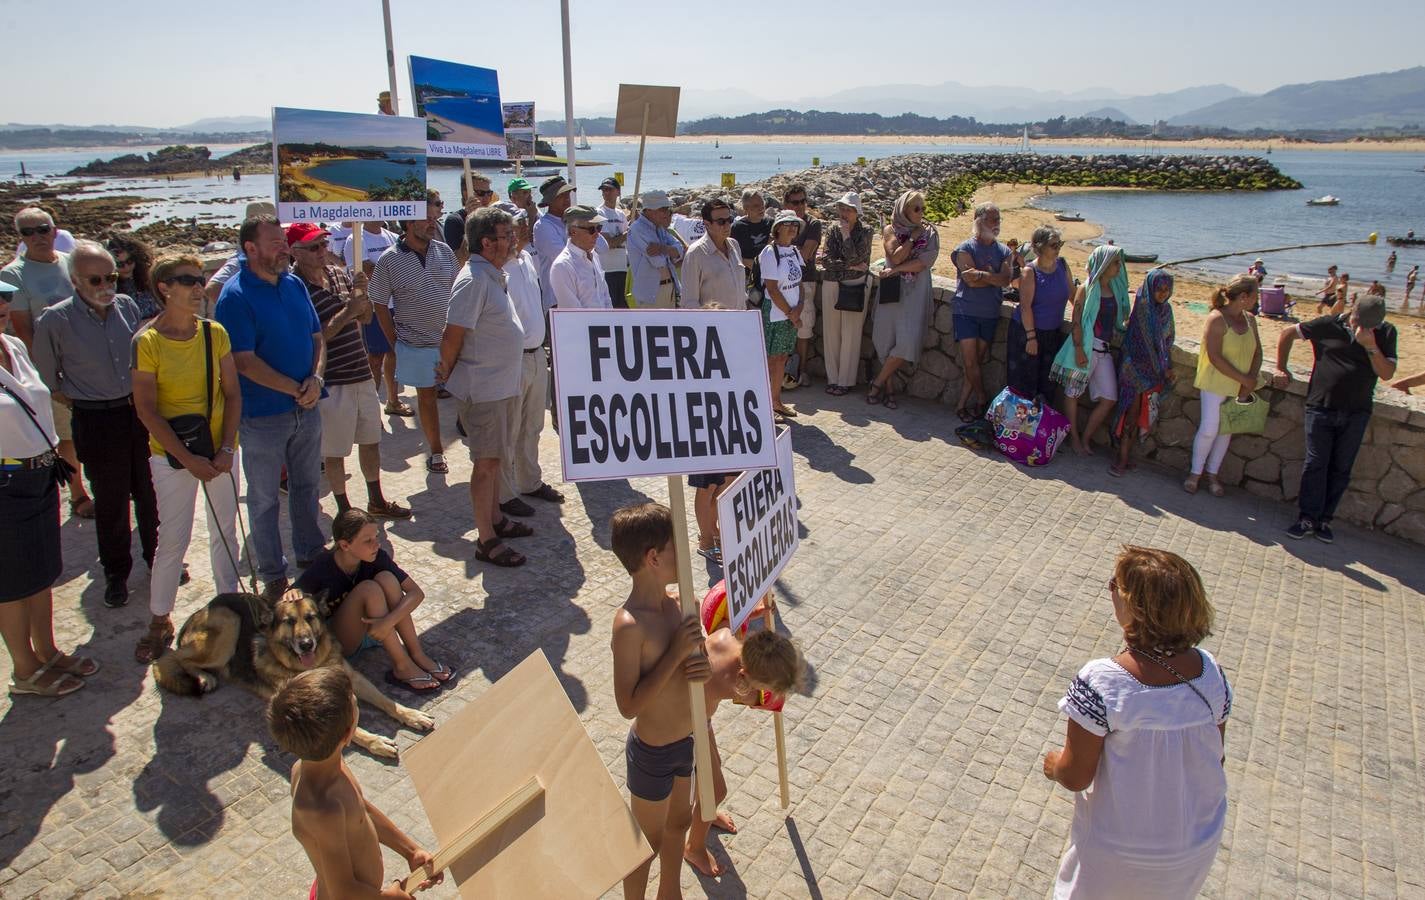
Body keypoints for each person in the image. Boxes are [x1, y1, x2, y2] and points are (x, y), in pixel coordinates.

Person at [1043, 546, 1230, 899]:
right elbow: (1215, 758)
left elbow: (1075, 775)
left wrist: (1053, 764)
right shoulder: (1212, 673)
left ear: (1136, 607)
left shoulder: (1103, 681)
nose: (1110, 591)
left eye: (1115, 586)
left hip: (1118, 852)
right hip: (1195, 843)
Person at [130, 254, 244, 664]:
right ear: (164, 288)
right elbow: (147, 410)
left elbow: (232, 393)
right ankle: (160, 620)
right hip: (172, 457)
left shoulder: (215, 334)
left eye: (200, 280)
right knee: (172, 540)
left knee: (225, 534)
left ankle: (229, 613)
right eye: (187, 281)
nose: (199, 288)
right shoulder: (147, 342)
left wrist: (227, 448)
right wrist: (188, 460)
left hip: (218, 453)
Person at [33, 240, 159, 609]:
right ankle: (116, 574)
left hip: (135, 414)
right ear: (75, 281)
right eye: (95, 280)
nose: (106, 286)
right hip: (95, 417)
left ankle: (157, 560)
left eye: (111, 277)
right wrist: (84, 400)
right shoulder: (55, 320)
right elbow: (47, 378)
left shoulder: (127, 306)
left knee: (149, 494)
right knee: (111, 501)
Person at [215, 215, 327, 602]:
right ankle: (272, 573)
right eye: (276, 243)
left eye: (284, 241)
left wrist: (315, 379)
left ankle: (310, 553)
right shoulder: (235, 295)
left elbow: (317, 337)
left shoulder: (294, 284)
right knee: (263, 498)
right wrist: (296, 387)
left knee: (307, 486)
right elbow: (243, 360)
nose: (285, 248)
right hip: (263, 416)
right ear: (251, 249)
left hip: (306, 406)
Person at [609, 501, 711, 900]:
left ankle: (670, 892)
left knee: (679, 822)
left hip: (686, 742)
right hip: (652, 751)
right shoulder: (629, 625)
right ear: (653, 557)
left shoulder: (680, 605)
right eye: (677, 547)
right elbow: (627, 705)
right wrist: (674, 656)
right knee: (645, 844)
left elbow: (690, 670)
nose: (684, 555)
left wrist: (698, 667)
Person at [270, 667, 441, 900]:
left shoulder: (329, 764)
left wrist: (410, 850)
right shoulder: (323, 811)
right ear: (349, 733)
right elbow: (343, 892)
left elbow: (361, 810)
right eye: (356, 704)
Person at [1, 279, 97, 697]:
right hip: (5, 479)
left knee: (40, 573)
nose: (3, 306)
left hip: (39, 473)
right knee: (11, 583)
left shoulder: (14, 348)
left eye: (4, 299)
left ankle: (47, 651)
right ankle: (24, 670)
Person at [288, 224, 409, 520]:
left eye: (323, 245)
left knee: (371, 440)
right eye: (314, 247)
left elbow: (365, 319)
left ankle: (375, 499)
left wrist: (362, 299)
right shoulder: (293, 288)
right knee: (335, 450)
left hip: (360, 372)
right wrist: (349, 311)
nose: (322, 252)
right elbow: (314, 337)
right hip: (332, 379)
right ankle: (344, 509)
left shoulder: (339, 274)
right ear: (295, 252)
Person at [436, 207, 532, 568]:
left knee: (496, 458)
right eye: (506, 235)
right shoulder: (473, 280)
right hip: (484, 389)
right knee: (486, 464)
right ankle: (486, 540)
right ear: (487, 242)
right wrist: (445, 374)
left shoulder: (491, 275)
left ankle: (495, 519)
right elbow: (453, 334)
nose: (513, 241)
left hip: (500, 386)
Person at [684, 606, 804, 878]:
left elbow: (725, 619)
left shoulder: (731, 637)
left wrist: (751, 611)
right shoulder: (734, 683)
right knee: (715, 790)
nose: (766, 694)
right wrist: (763, 700)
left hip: (697, 718)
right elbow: (754, 701)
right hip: (684, 726)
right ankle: (694, 847)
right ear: (747, 678)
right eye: (766, 688)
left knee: (712, 779)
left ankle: (705, 812)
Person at [1274, 292, 1396, 543]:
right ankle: (1307, 517)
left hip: (1357, 411)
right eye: (1359, 322)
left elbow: (1386, 374)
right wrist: (1280, 367)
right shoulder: (1328, 325)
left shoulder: (1385, 333)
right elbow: (1287, 334)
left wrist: (1370, 345)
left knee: (1341, 469)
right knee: (1316, 464)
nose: (1361, 327)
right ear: (1352, 312)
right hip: (1321, 406)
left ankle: (1324, 521)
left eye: (1369, 325)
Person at [294, 510, 449, 691]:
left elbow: (416, 593)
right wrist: (293, 592)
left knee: (387, 578)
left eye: (376, 536)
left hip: (376, 629)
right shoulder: (324, 565)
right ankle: (402, 666)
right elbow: (293, 595)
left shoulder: (377, 556)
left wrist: (387, 622)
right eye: (368, 541)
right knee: (369, 589)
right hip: (341, 641)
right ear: (344, 545)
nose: (376, 544)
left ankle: (417, 654)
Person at [2, 206, 92, 518]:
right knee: (66, 435)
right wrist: (49, 375)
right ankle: (79, 494)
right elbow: (25, 332)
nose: (37, 236)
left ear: (54, 231)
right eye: (27, 232)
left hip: (85, 364)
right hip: (53, 368)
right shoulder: (13, 274)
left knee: (88, 429)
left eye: (42, 228)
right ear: (21, 238)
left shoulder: (70, 264)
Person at [370, 195, 458, 473]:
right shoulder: (389, 260)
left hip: (450, 341)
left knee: (466, 393)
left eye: (435, 218)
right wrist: (394, 342)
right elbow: (380, 303)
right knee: (427, 397)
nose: (433, 224)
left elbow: (459, 291)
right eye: (427, 219)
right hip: (417, 342)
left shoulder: (444, 251)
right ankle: (436, 451)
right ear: (409, 222)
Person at [498, 214, 563, 516]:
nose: (522, 231)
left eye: (522, 227)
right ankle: (506, 492)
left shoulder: (527, 258)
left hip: (537, 353)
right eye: (515, 229)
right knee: (510, 429)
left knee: (533, 425)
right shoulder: (498, 267)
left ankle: (529, 480)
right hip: (513, 357)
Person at [1187, 274, 1262, 497]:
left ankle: (1212, 473)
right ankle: (1195, 473)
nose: (1257, 299)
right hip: (1215, 382)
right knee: (1210, 428)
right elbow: (1215, 356)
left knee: (1225, 431)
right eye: (1255, 295)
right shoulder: (1217, 318)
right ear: (1244, 296)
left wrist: (1250, 378)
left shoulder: (1250, 320)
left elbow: (1257, 352)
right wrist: (1243, 378)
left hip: (1240, 384)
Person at [1051, 245, 1130, 455]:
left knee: (1109, 398)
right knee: (1073, 393)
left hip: (1103, 350)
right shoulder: (1086, 289)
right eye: (1114, 262)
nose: (1118, 267)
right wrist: (1079, 350)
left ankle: (1086, 437)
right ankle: (1075, 438)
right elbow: (1076, 322)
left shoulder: (1115, 289)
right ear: (1103, 264)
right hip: (1087, 347)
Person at [869, 191, 940, 411]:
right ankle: (889, 390)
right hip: (892, 290)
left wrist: (896, 269)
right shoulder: (891, 230)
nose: (921, 213)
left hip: (914, 292)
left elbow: (923, 262)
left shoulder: (930, 233)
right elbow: (896, 255)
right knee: (884, 339)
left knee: (907, 342)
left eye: (922, 209)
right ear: (904, 210)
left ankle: (877, 383)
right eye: (916, 208)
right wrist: (912, 238)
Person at [950, 203, 1014, 421]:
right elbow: (970, 281)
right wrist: (990, 277)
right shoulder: (965, 248)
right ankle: (981, 398)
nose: (996, 224)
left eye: (998, 220)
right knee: (970, 362)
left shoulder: (1004, 251)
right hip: (966, 310)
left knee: (976, 361)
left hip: (989, 312)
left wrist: (982, 275)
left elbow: (1006, 280)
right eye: (991, 219)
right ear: (978, 221)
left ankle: (962, 404)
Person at [1110, 270, 1177, 478]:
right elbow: (1139, 341)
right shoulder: (1143, 307)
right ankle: (1121, 460)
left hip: (1153, 371)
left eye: (1167, 290)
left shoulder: (1166, 311)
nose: (1163, 294)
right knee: (1130, 417)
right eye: (1159, 290)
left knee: (1142, 416)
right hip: (1134, 370)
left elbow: (1167, 341)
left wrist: (1165, 366)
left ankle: (1126, 457)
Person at [343, 221, 408, 416]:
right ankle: (370, 411)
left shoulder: (391, 236)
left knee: (394, 353)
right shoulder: (355, 238)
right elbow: (366, 269)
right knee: (375, 358)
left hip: (395, 304)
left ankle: (393, 400)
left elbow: (400, 265)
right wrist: (394, 269)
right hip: (372, 307)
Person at [1008, 226, 1072, 403]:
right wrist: (1031, 337)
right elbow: (1025, 307)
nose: (1058, 248)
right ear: (1040, 247)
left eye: (1060, 244)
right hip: (1029, 333)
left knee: (1047, 386)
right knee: (1024, 384)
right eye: (1054, 245)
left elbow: (1073, 295)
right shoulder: (1030, 272)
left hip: (1052, 333)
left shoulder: (1063, 265)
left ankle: (1040, 428)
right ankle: (1017, 429)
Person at [817, 193, 872, 395]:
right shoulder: (832, 229)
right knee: (831, 333)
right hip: (833, 282)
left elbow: (860, 256)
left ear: (857, 212)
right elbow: (825, 261)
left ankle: (845, 381)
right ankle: (833, 378)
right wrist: (849, 265)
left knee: (851, 333)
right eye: (842, 208)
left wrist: (847, 235)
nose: (844, 213)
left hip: (855, 285)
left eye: (848, 209)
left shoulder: (866, 231)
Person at [759, 211, 806, 421]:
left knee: (781, 359)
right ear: (777, 227)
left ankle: (776, 401)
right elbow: (772, 288)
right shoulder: (770, 253)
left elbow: (800, 284)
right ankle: (766, 405)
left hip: (789, 315)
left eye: (794, 224)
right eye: (787, 224)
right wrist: (791, 313)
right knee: (771, 361)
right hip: (776, 314)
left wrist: (799, 308)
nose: (792, 228)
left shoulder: (795, 251)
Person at [782, 184, 823, 391]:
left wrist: (787, 249)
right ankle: (784, 372)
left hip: (804, 281)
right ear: (786, 204)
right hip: (782, 284)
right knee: (783, 326)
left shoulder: (813, 224)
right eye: (795, 202)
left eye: (803, 201)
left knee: (803, 327)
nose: (800, 206)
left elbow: (805, 255)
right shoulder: (780, 224)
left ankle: (803, 370)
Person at [679, 198, 746, 309]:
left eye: (729, 220)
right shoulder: (695, 253)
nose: (727, 225)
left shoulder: (735, 245)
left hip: (739, 321)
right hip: (713, 324)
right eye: (721, 222)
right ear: (707, 224)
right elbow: (689, 302)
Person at [627, 191, 684, 310]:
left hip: (669, 288)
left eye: (667, 209)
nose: (667, 212)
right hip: (652, 294)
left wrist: (662, 248)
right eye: (662, 209)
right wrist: (670, 251)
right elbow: (658, 262)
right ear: (649, 210)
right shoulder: (638, 229)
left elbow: (680, 249)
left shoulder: (658, 227)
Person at [550, 207, 614, 310]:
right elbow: (573, 313)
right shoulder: (562, 266)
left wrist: (611, 322)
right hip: (583, 326)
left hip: (604, 325)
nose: (597, 235)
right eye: (591, 229)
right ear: (573, 232)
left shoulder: (594, 256)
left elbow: (606, 298)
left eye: (599, 228)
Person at [532, 175, 578, 313]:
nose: (567, 198)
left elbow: (602, 247)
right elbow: (565, 259)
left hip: (577, 298)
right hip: (556, 302)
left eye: (568, 194)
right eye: (561, 195)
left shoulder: (572, 221)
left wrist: (582, 219)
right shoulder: (543, 226)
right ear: (550, 200)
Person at [731, 190, 773, 311]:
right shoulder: (737, 227)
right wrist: (755, 265)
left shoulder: (771, 224)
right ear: (745, 208)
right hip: (745, 279)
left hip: (768, 278)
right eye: (755, 206)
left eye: (762, 205)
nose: (760, 209)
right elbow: (732, 254)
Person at [439, 173, 495, 262]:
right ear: (466, 194)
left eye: (489, 193)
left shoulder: (493, 220)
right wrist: (472, 222)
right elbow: (458, 261)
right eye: (480, 193)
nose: (486, 198)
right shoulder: (454, 221)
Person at [107, 235, 160, 320]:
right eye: (119, 264)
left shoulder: (150, 277)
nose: (127, 267)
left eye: (129, 261)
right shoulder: (107, 287)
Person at [597, 177, 630, 305]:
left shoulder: (621, 214)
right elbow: (608, 243)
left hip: (622, 268)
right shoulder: (599, 212)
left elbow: (626, 240)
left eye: (609, 190)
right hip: (607, 270)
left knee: (622, 307)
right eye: (604, 190)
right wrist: (626, 235)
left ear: (618, 192)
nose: (606, 193)